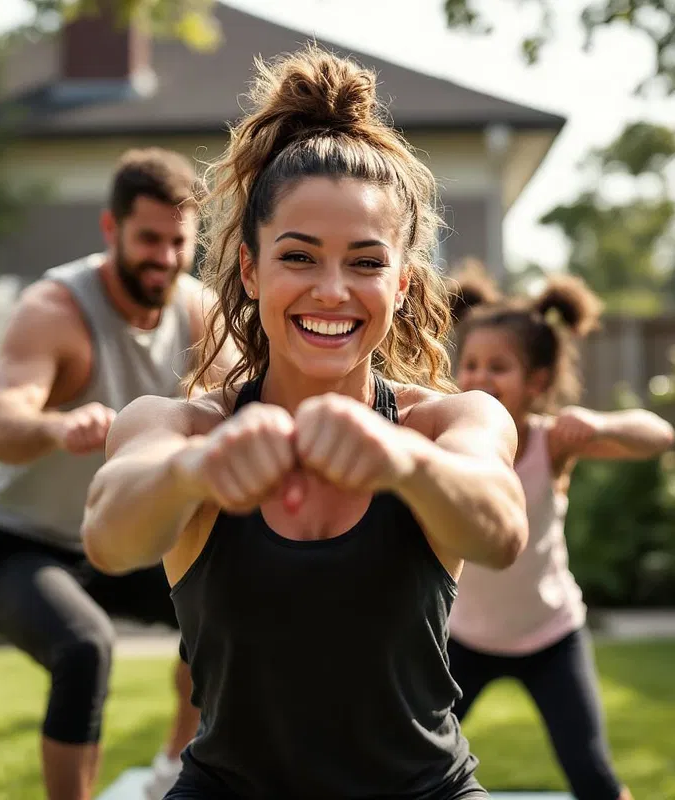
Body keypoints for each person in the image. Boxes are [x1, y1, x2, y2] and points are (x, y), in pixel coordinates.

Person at [81, 46, 530, 800]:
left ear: (401, 280)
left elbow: (501, 529)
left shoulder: (450, 423)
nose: (332, 291)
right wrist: (197, 472)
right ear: (251, 270)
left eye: (364, 262)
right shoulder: (177, 428)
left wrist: (404, 466)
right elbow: (109, 532)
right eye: (299, 257)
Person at [0, 148, 236, 800]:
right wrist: (59, 426)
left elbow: (243, 400)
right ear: (111, 231)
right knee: (85, 650)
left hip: (118, 538)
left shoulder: (197, 312)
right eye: (148, 240)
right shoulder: (54, 310)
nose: (164, 258)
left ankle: (173, 768)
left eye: (178, 243)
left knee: (224, 612)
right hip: (18, 545)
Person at [446, 267, 675, 800]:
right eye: (471, 364)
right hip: (461, 641)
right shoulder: (449, 435)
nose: (479, 377)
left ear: (538, 382)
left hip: (551, 637)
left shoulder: (554, 443)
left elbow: (658, 434)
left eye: (498, 367)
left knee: (592, 778)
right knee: (408, 770)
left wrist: (600, 427)